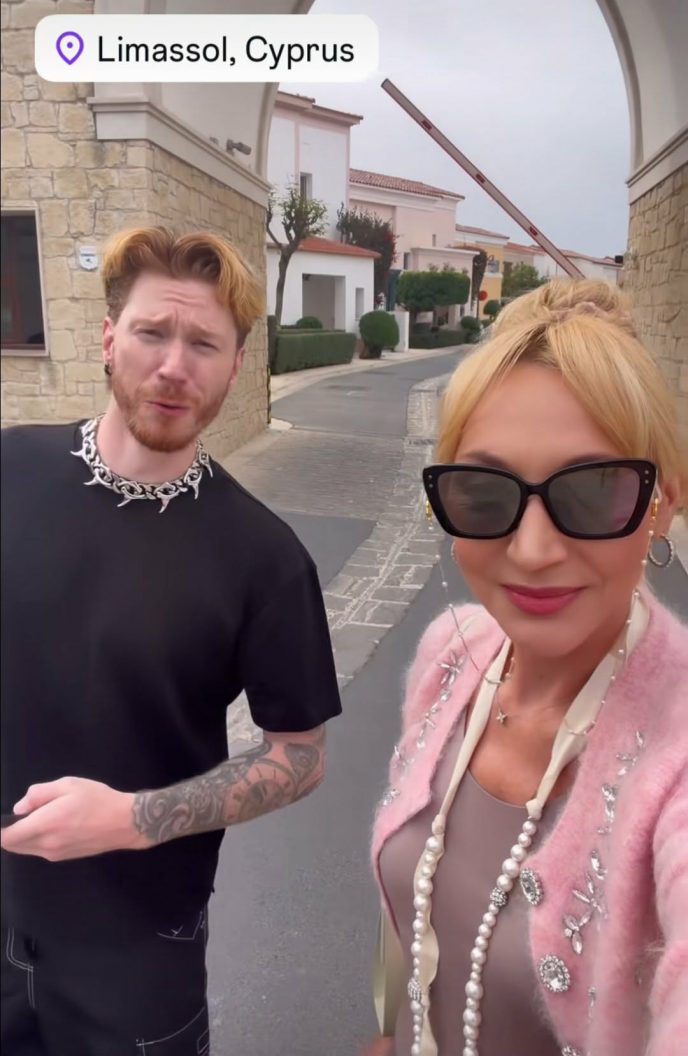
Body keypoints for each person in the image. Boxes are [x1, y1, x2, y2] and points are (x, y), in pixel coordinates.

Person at [0, 227, 342, 1054]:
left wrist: (133, 819)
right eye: (153, 332)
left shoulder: (264, 559)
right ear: (109, 337)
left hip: (140, 943)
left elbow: (300, 757)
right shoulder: (11, 470)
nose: (174, 366)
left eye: (204, 344)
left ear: (236, 366)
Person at [364, 279, 688, 1056]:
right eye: (484, 493)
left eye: (595, 491)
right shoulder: (452, 654)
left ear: (663, 505)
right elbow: (412, 902)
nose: (534, 551)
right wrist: (388, 1029)